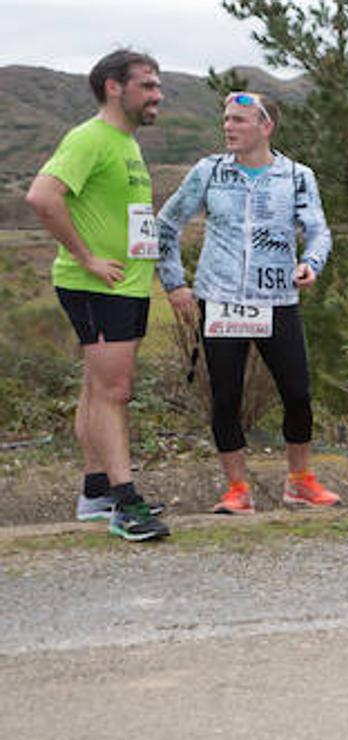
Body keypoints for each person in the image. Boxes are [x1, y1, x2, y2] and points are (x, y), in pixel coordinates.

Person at [155, 91, 337, 515]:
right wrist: (174, 284)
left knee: (298, 393)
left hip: (277, 299)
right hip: (219, 300)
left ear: (265, 126)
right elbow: (167, 224)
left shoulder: (296, 177)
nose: (228, 127)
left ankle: (300, 482)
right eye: (226, 120)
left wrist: (311, 262)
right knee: (225, 398)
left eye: (239, 120)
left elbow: (318, 230)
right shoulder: (209, 172)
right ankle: (237, 489)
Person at [23, 49, 170, 541]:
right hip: (97, 286)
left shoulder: (124, 142)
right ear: (114, 87)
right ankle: (126, 504)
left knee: (96, 387)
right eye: (147, 85)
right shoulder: (90, 138)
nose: (157, 95)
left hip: (123, 286)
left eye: (157, 86)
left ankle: (96, 491)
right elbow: (43, 197)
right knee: (115, 391)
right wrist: (86, 257)